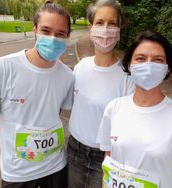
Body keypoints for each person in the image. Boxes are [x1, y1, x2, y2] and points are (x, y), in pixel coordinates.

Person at [0, 2, 73, 188]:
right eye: (46, 30)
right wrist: (18, 138)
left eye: (60, 33)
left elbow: (58, 111)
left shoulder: (67, 75)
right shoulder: (2, 67)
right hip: (18, 171)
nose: (53, 38)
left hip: (56, 165)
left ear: (68, 36)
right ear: (34, 29)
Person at [97, 30, 172, 188]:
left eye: (158, 60)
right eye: (140, 58)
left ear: (168, 68)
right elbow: (108, 160)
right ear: (129, 65)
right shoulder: (114, 108)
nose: (148, 65)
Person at [67, 0, 135, 187]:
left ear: (119, 30)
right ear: (90, 28)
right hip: (74, 151)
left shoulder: (128, 77)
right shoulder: (81, 67)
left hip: (107, 157)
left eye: (112, 24)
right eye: (100, 22)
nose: (106, 29)